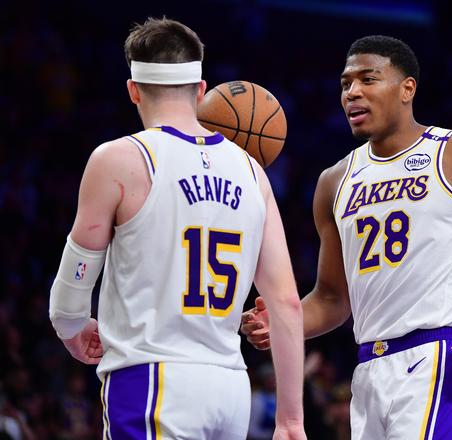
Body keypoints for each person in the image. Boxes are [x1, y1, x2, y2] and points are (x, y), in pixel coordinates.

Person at [241, 35, 452, 439]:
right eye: (345, 83)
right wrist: (283, 320)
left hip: (438, 359)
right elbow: (332, 299)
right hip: (369, 369)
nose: (352, 92)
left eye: (368, 79)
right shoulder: (334, 181)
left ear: (407, 89)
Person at [48, 17, 305, 440]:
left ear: (133, 90)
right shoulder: (252, 172)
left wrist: (71, 325)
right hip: (230, 387)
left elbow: (77, 276)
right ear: (201, 90)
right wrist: (291, 421)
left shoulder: (119, 159)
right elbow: (287, 304)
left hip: (154, 378)